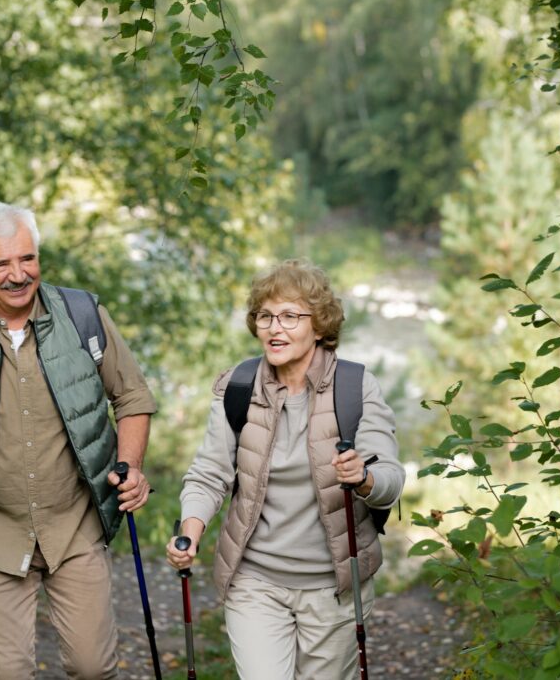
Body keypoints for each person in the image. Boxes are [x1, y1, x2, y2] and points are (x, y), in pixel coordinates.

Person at [0, 202, 157, 679]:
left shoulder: (83, 314)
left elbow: (133, 396)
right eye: (1, 264)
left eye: (28, 259)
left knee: (93, 668)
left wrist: (130, 465)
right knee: (10, 674)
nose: (19, 275)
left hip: (75, 523)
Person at [165, 259, 405, 679]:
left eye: (291, 316)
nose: (275, 328)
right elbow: (209, 472)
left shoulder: (354, 387)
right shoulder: (238, 387)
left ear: (320, 325)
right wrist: (190, 533)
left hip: (335, 588)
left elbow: (390, 479)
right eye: (265, 316)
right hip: (255, 581)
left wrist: (363, 478)